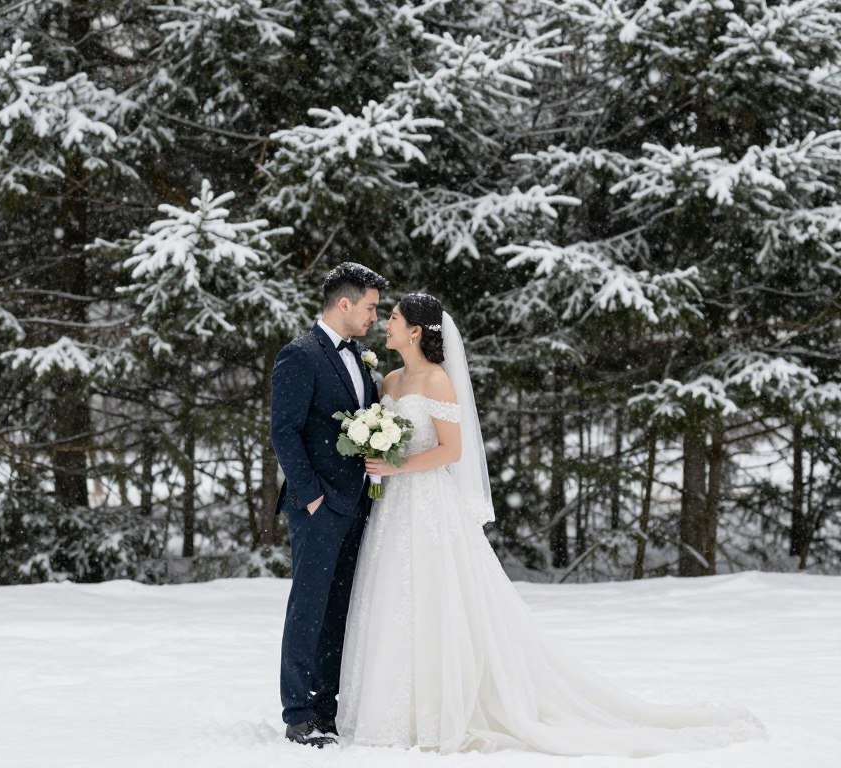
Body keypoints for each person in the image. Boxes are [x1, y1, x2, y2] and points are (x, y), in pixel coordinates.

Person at [335, 292, 764, 755]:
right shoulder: (391, 380)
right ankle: (391, 708)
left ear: (415, 331)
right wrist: (378, 453)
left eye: (393, 318)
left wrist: (397, 466)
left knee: (438, 598)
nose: (386, 323)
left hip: (428, 505)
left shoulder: (438, 380)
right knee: (393, 596)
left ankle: (444, 708)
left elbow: (451, 451)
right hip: (393, 507)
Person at [270, 262, 387, 748]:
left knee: (341, 608)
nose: (374, 318)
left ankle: (326, 707)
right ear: (345, 303)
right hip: (319, 505)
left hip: (358, 504)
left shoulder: (361, 355)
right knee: (309, 606)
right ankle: (298, 710)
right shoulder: (299, 355)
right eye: (371, 307)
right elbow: (284, 431)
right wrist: (312, 495)